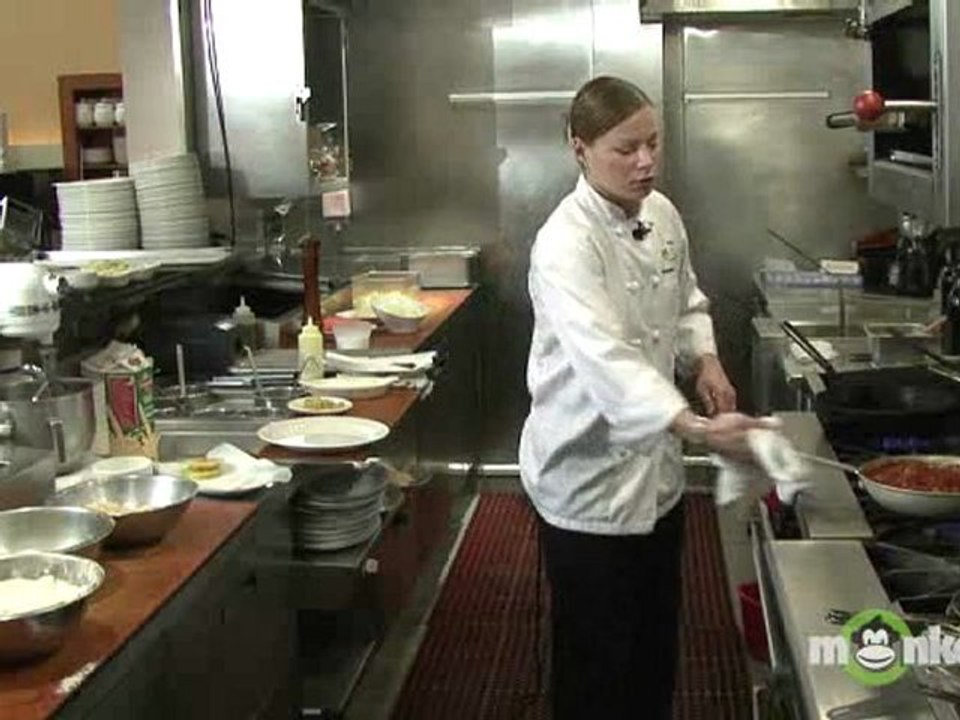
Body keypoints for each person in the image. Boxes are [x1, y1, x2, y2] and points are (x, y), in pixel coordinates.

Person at [519, 76, 772, 720]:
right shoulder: (564, 243)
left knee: (656, 638)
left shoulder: (661, 213)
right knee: (596, 656)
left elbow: (685, 300)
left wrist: (706, 357)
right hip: (587, 479)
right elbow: (608, 362)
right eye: (625, 149)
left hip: (656, 476)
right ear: (579, 149)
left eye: (653, 144)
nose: (645, 162)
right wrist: (695, 427)